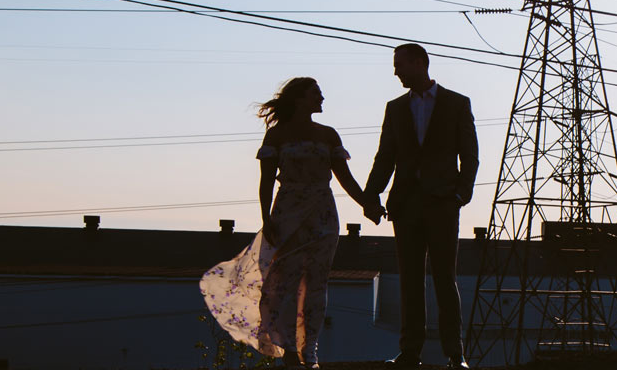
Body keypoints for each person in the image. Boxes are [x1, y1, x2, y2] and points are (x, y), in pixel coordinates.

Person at [201, 77, 378, 368]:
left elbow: (345, 178)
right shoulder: (277, 135)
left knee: (316, 285)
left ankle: (310, 350)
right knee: (284, 284)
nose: (322, 99)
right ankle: (289, 349)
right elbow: (266, 181)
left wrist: (367, 205)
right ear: (299, 98)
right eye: (316, 94)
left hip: (322, 215)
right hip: (287, 213)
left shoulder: (329, 135)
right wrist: (265, 217)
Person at [364, 44, 480, 368]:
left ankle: (455, 355)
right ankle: (410, 352)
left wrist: (461, 195)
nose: (395, 71)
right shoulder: (395, 108)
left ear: (419, 63)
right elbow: (385, 156)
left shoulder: (457, 104)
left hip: (443, 203)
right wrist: (371, 195)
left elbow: (469, 155)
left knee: (445, 278)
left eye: (399, 64)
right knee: (410, 280)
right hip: (405, 206)